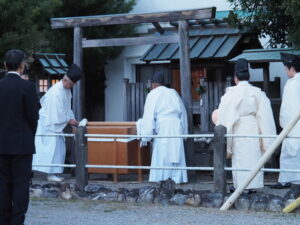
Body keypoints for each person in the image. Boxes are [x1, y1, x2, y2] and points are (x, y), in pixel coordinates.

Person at [213, 58, 276, 192]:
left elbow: (224, 116)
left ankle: (240, 186)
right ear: (249, 76)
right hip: (254, 127)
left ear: (236, 78)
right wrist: (267, 142)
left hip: (238, 128)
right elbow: (266, 118)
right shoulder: (258, 93)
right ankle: (253, 185)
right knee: (254, 155)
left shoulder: (230, 95)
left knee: (240, 158)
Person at [0, 49, 39, 225]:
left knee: (3, 184)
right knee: (21, 185)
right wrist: (29, 135)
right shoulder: (28, 87)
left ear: (5, 65)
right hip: (22, 144)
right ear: (22, 65)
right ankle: (17, 221)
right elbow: (33, 117)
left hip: (1, 144)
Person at [32, 64, 82, 182]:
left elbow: (67, 108)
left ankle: (54, 173)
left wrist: (73, 121)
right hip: (49, 122)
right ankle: (49, 174)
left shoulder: (66, 90)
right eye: (71, 84)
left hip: (56, 122)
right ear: (65, 80)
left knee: (58, 148)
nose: (71, 86)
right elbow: (56, 112)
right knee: (51, 148)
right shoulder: (56, 92)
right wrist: (70, 121)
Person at [138, 71, 188, 184]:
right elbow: (183, 112)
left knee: (163, 152)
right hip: (176, 125)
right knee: (176, 150)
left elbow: (149, 115)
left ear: (154, 85)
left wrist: (147, 134)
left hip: (163, 125)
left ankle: (161, 178)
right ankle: (177, 178)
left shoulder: (153, 94)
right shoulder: (173, 92)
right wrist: (184, 130)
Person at [272, 53, 300, 189]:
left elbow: (290, 107)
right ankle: (289, 180)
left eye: (285, 68)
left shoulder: (295, 83)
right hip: (292, 125)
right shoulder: (292, 82)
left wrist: (285, 123)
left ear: (292, 68)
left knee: (292, 153)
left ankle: (292, 180)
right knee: (290, 153)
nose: (285, 71)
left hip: (294, 125)